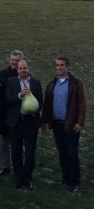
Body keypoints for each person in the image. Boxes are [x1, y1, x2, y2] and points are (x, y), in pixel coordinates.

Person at [42, 56, 86, 193]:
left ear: (67, 67)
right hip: (57, 124)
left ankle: (74, 181)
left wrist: (80, 122)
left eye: (62, 65)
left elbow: (81, 104)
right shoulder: (52, 83)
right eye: (57, 65)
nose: (59, 67)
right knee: (62, 153)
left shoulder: (75, 83)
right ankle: (65, 179)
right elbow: (47, 104)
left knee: (71, 153)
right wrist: (44, 122)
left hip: (71, 125)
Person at [5, 60, 43, 190]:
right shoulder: (11, 82)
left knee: (30, 152)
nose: (22, 70)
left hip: (30, 122)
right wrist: (19, 95)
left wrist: (35, 111)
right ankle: (18, 177)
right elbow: (7, 99)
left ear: (28, 68)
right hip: (15, 122)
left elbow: (40, 102)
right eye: (20, 68)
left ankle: (28, 178)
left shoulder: (36, 83)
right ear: (17, 70)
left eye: (24, 68)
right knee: (15, 152)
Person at [0, 50, 23, 176]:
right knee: (6, 144)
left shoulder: (24, 75)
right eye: (12, 60)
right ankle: (5, 167)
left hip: (20, 115)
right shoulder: (2, 74)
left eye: (16, 60)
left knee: (19, 145)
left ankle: (19, 168)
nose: (14, 62)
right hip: (5, 114)